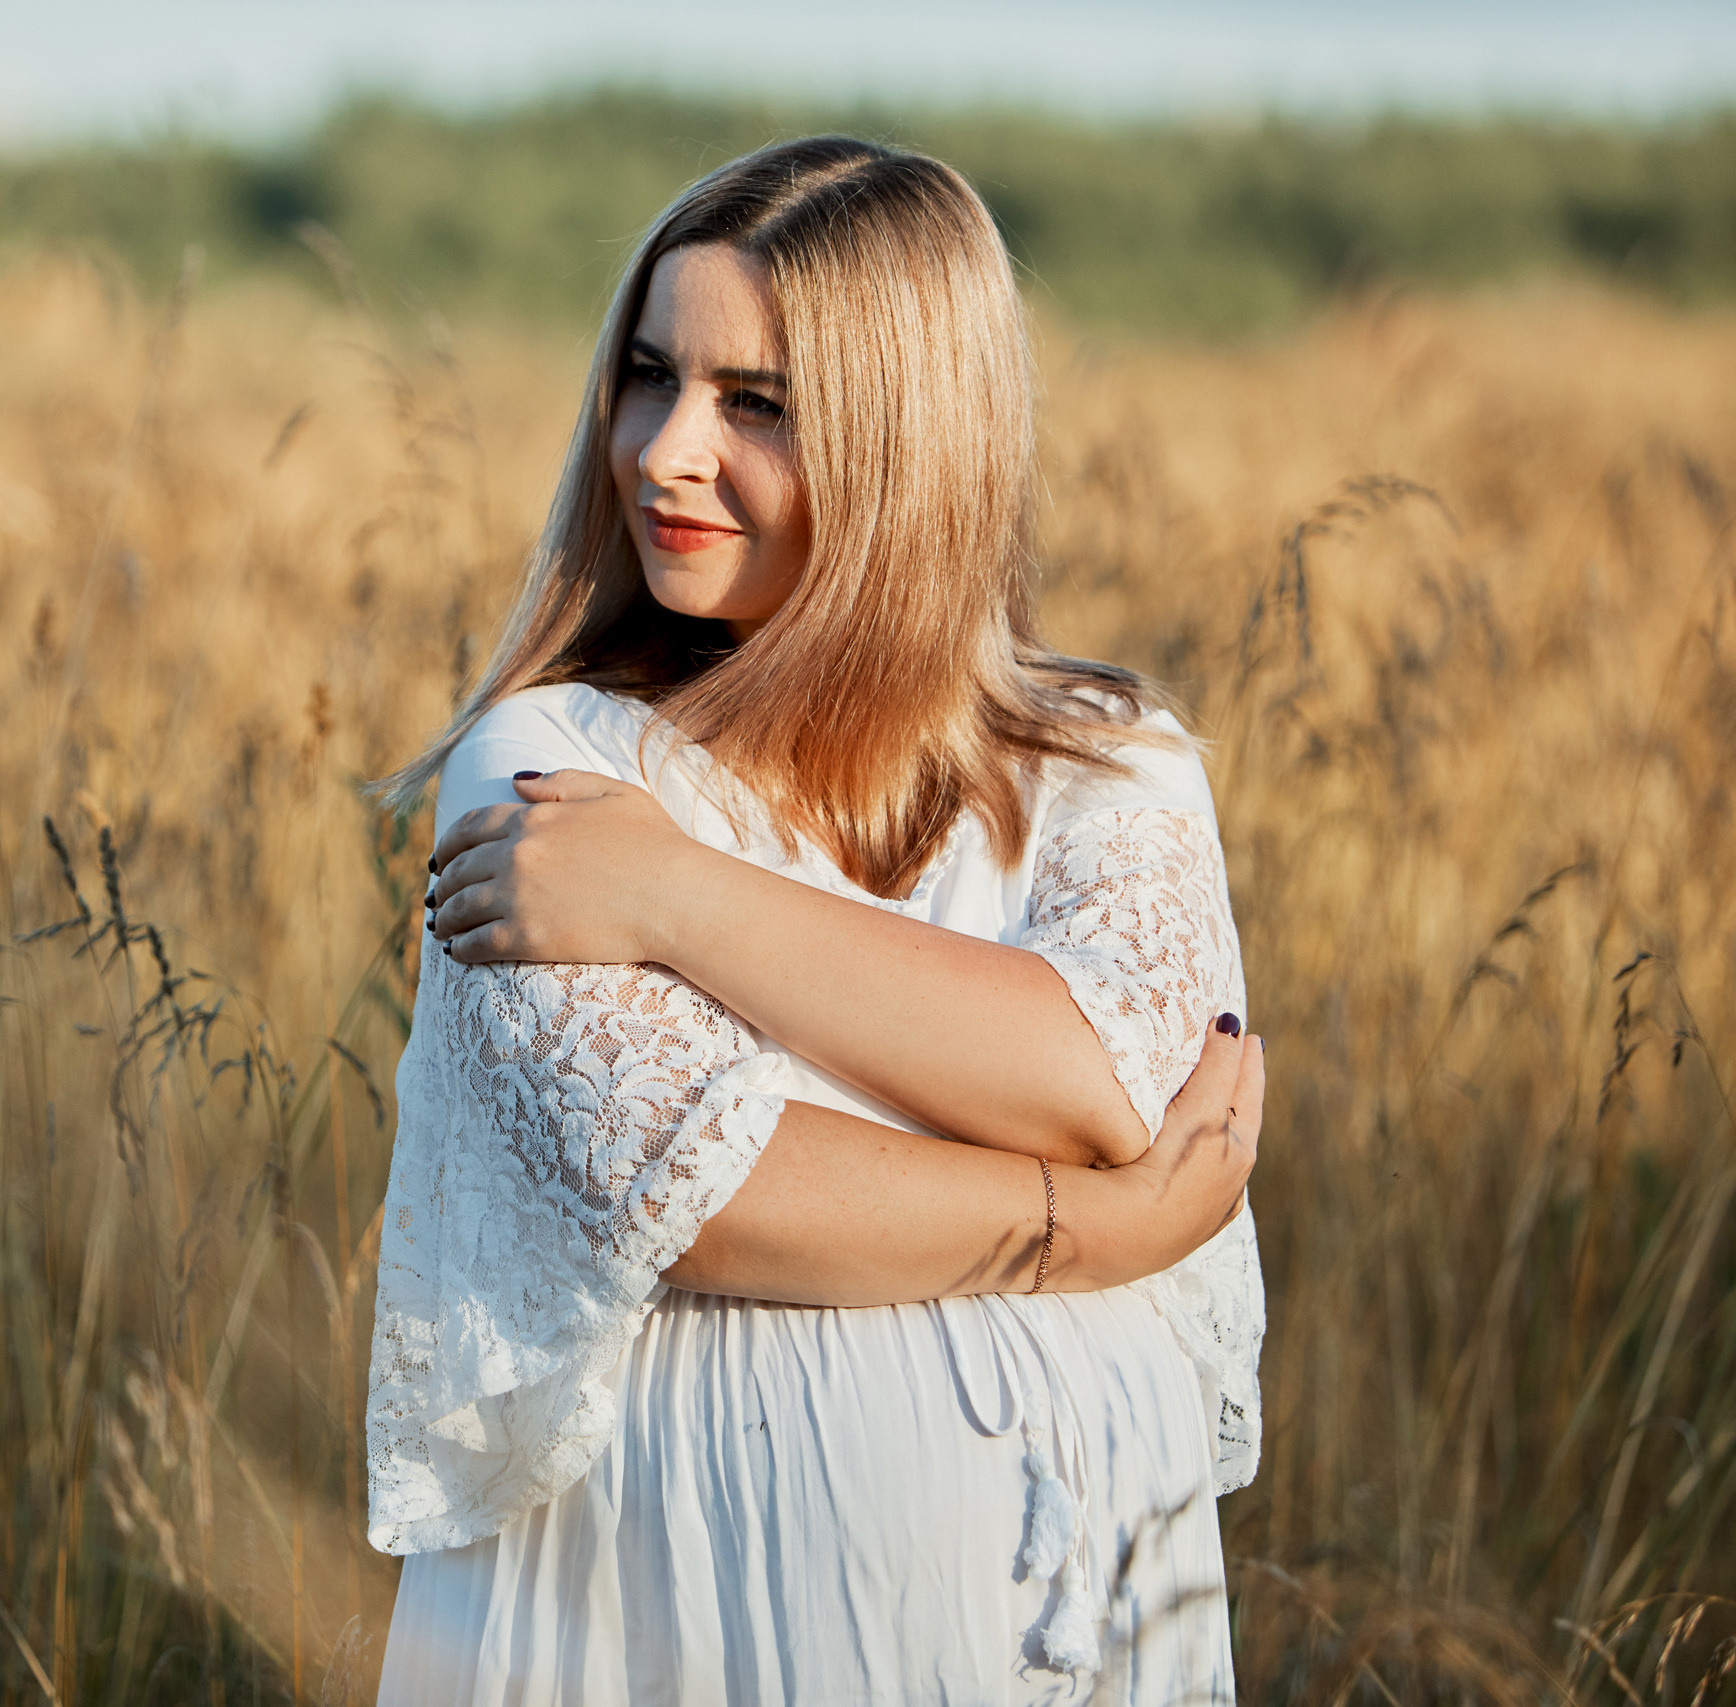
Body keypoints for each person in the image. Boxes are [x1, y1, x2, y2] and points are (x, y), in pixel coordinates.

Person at [363, 136, 1266, 1704]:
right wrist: (1104, 1228)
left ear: (912, 438)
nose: (663, 452)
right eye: (651, 378)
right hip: (680, 1629)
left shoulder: (1109, 762)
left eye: (755, 403)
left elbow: (1109, 1079)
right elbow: (705, 1192)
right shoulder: (549, 765)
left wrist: (674, 895)